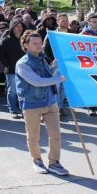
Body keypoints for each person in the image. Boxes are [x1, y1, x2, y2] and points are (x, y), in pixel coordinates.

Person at [16, 31, 68, 176]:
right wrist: (58, 79)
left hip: (50, 101)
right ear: (26, 45)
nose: (39, 46)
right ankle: (37, 160)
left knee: (56, 135)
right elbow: (37, 81)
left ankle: (54, 163)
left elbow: (47, 75)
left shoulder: (42, 58)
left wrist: (53, 68)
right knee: (33, 136)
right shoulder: (22, 64)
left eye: (40, 43)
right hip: (32, 104)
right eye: (35, 43)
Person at [0, 17, 27, 119]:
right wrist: (7, 65)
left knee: (24, 91)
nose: (19, 28)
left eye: (20, 26)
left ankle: (24, 109)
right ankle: (13, 109)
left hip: (25, 70)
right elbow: (1, 55)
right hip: (11, 69)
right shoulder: (5, 40)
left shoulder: (26, 39)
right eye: (16, 26)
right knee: (13, 91)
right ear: (12, 28)